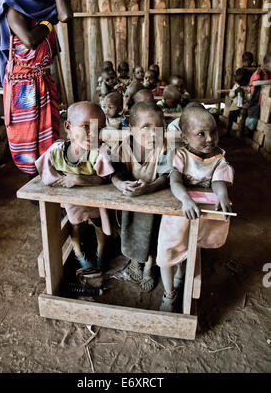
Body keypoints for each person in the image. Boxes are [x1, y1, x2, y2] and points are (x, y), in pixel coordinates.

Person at [0, 0, 72, 176]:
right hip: (22, 84)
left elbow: (66, 15)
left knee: (49, 136)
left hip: (43, 79)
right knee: (26, 140)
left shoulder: (46, 2)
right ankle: (34, 189)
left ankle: (48, 183)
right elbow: (29, 40)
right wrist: (49, 21)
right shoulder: (11, 2)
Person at [157, 107, 234, 312]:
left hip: (199, 215)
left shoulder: (218, 157)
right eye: (201, 134)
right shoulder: (181, 155)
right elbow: (175, 181)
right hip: (180, 212)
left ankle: (183, 278)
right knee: (168, 250)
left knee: (191, 248)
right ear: (185, 137)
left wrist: (222, 195)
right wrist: (185, 200)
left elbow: (218, 180)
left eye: (213, 132)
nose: (209, 139)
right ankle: (168, 293)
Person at [35, 101, 115, 269]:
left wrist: (79, 179)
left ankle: (101, 252)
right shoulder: (55, 151)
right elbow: (45, 175)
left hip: (95, 200)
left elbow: (104, 179)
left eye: (98, 129)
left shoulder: (98, 152)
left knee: (98, 224)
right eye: (86, 126)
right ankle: (79, 254)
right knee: (75, 225)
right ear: (68, 126)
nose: (92, 134)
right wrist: (58, 182)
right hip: (72, 203)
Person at [112, 101, 172, 292]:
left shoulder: (164, 147)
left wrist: (150, 188)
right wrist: (121, 184)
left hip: (156, 200)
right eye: (146, 128)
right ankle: (134, 258)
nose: (154, 134)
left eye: (159, 128)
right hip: (131, 201)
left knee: (154, 229)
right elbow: (114, 174)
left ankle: (149, 265)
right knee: (128, 224)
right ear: (132, 129)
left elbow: (166, 176)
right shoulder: (123, 148)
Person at [226, 68, 251, 137]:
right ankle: (228, 131)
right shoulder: (236, 85)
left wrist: (245, 95)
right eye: (239, 82)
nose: (240, 84)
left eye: (242, 82)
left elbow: (250, 97)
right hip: (235, 106)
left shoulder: (249, 87)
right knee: (231, 115)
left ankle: (241, 133)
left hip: (244, 106)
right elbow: (230, 96)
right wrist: (235, 91)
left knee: (243, 114)